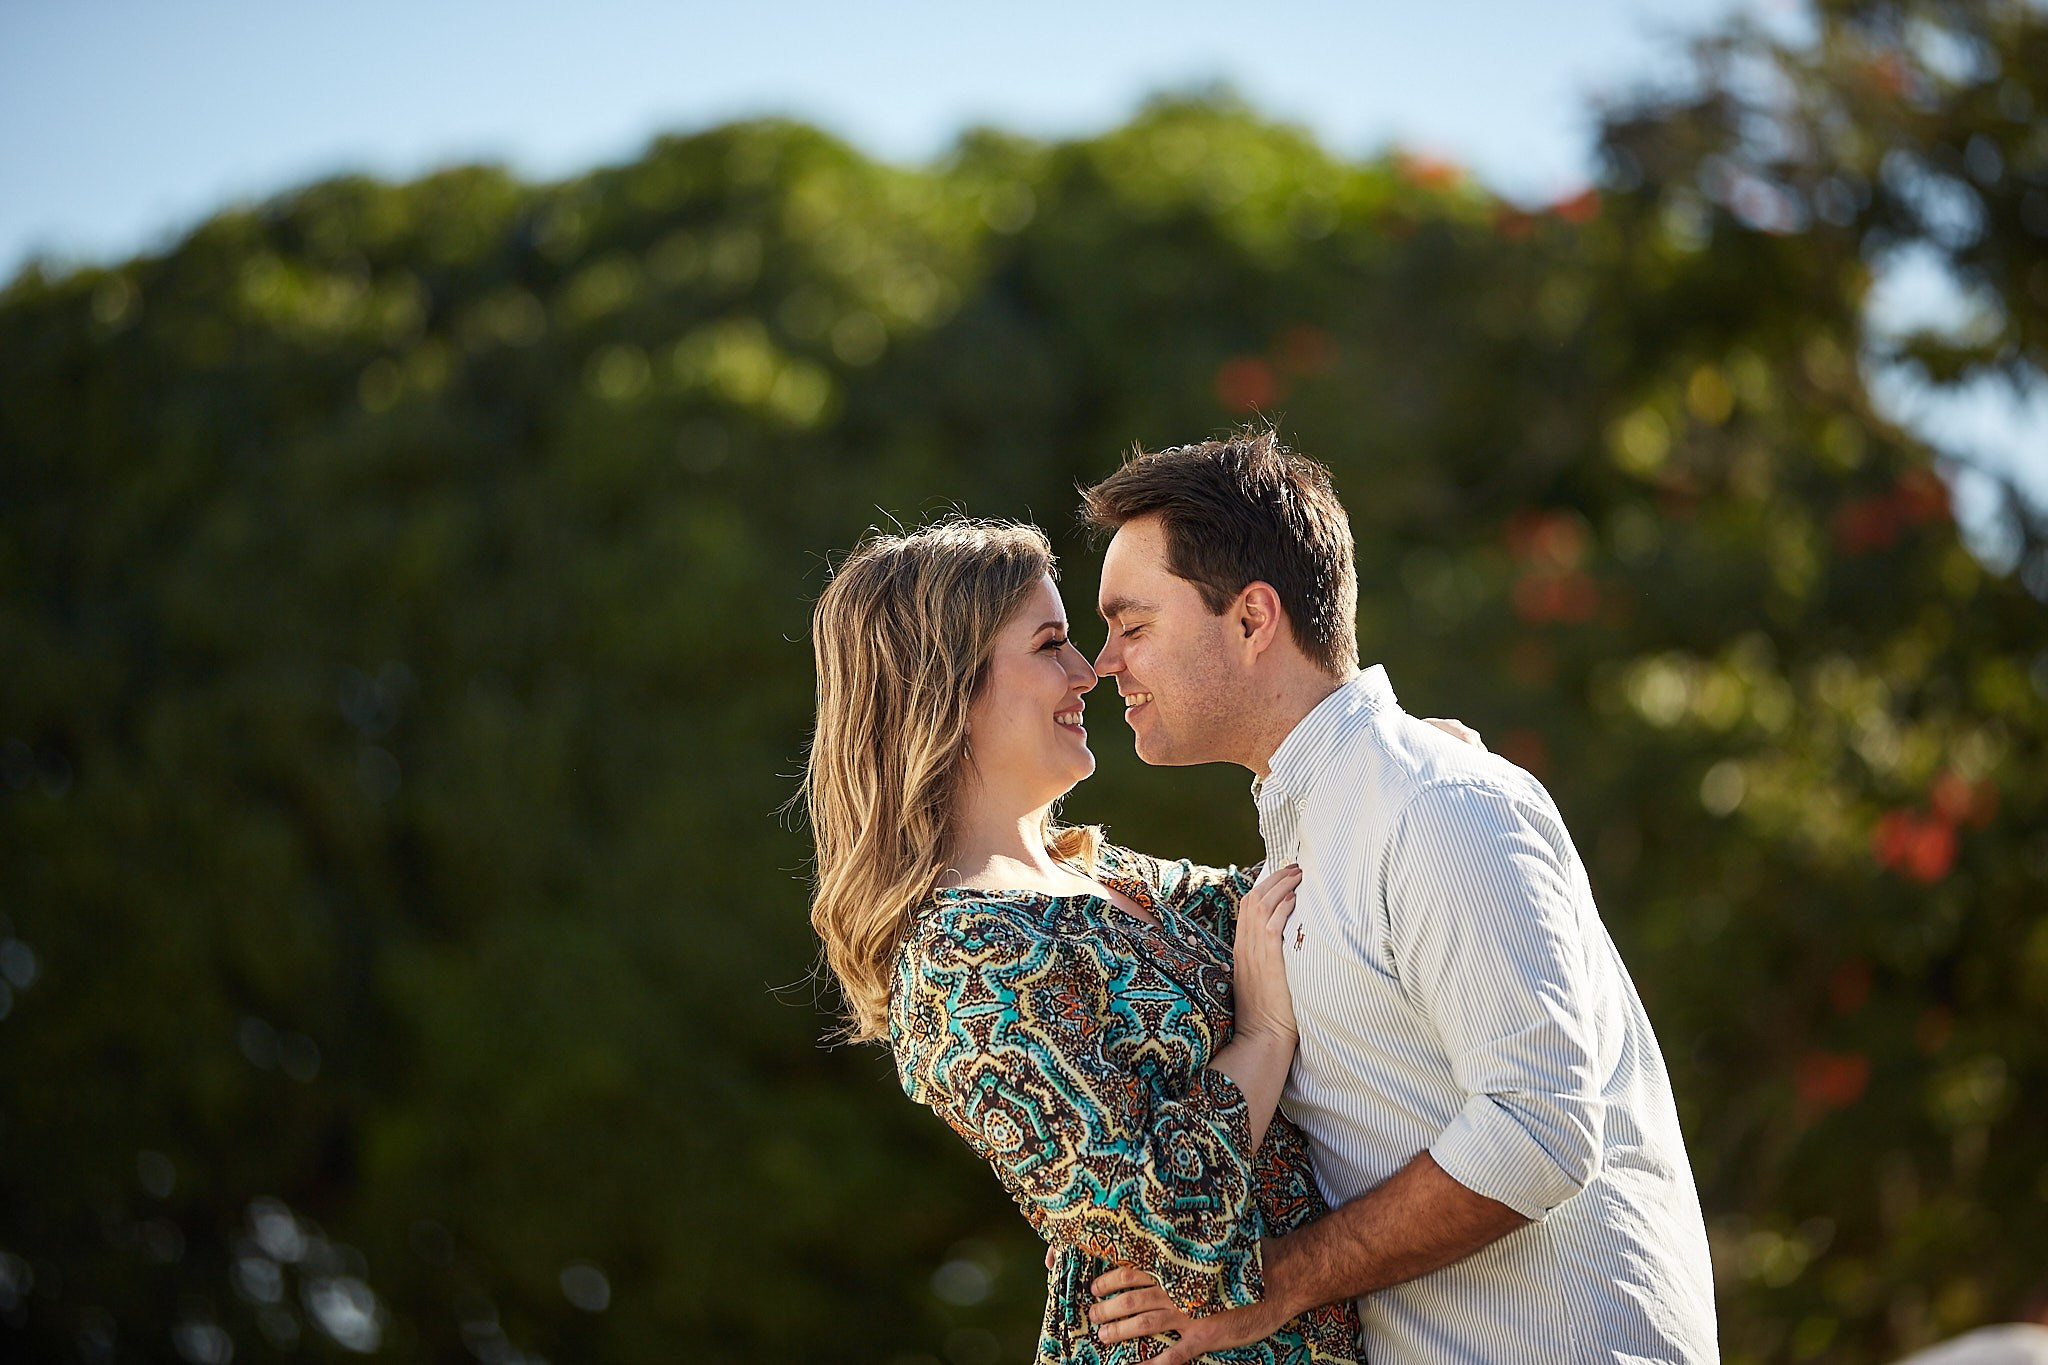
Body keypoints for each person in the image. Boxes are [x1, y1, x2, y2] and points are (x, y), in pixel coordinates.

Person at [1077, 428, 1720, 1364]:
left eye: (1132, 627)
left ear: (1254, 619)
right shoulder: (1328, 820)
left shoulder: (1436, 804)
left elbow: (1537, 1127)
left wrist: (1276, 1280)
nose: (1106, 663)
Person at [801, 517, 1376, 1363]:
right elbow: (1172, 1220)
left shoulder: (1118, 878)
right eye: (1050, 645)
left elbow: (1306, 900)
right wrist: (1261, 1035)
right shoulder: (960, 961)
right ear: (947, 690)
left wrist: (1390, 767)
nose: (1087, 672)